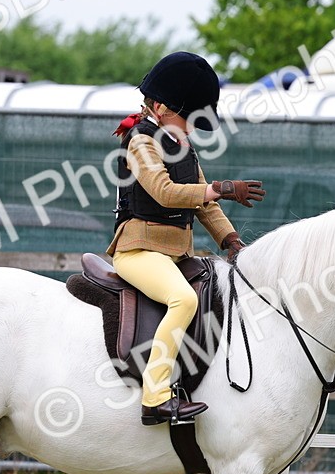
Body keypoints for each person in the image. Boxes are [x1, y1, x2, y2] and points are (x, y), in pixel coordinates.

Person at [108, 51, 265, 426]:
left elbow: (202, 204)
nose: (192, 129)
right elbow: (165, 192)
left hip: (176, 252)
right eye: (188, 119)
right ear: (160, 107)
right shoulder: (140, 142)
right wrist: (219, 187)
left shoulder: (182, 146)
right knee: (183, 299)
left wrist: (231, 240)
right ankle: (156, 396)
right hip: (139, 250)